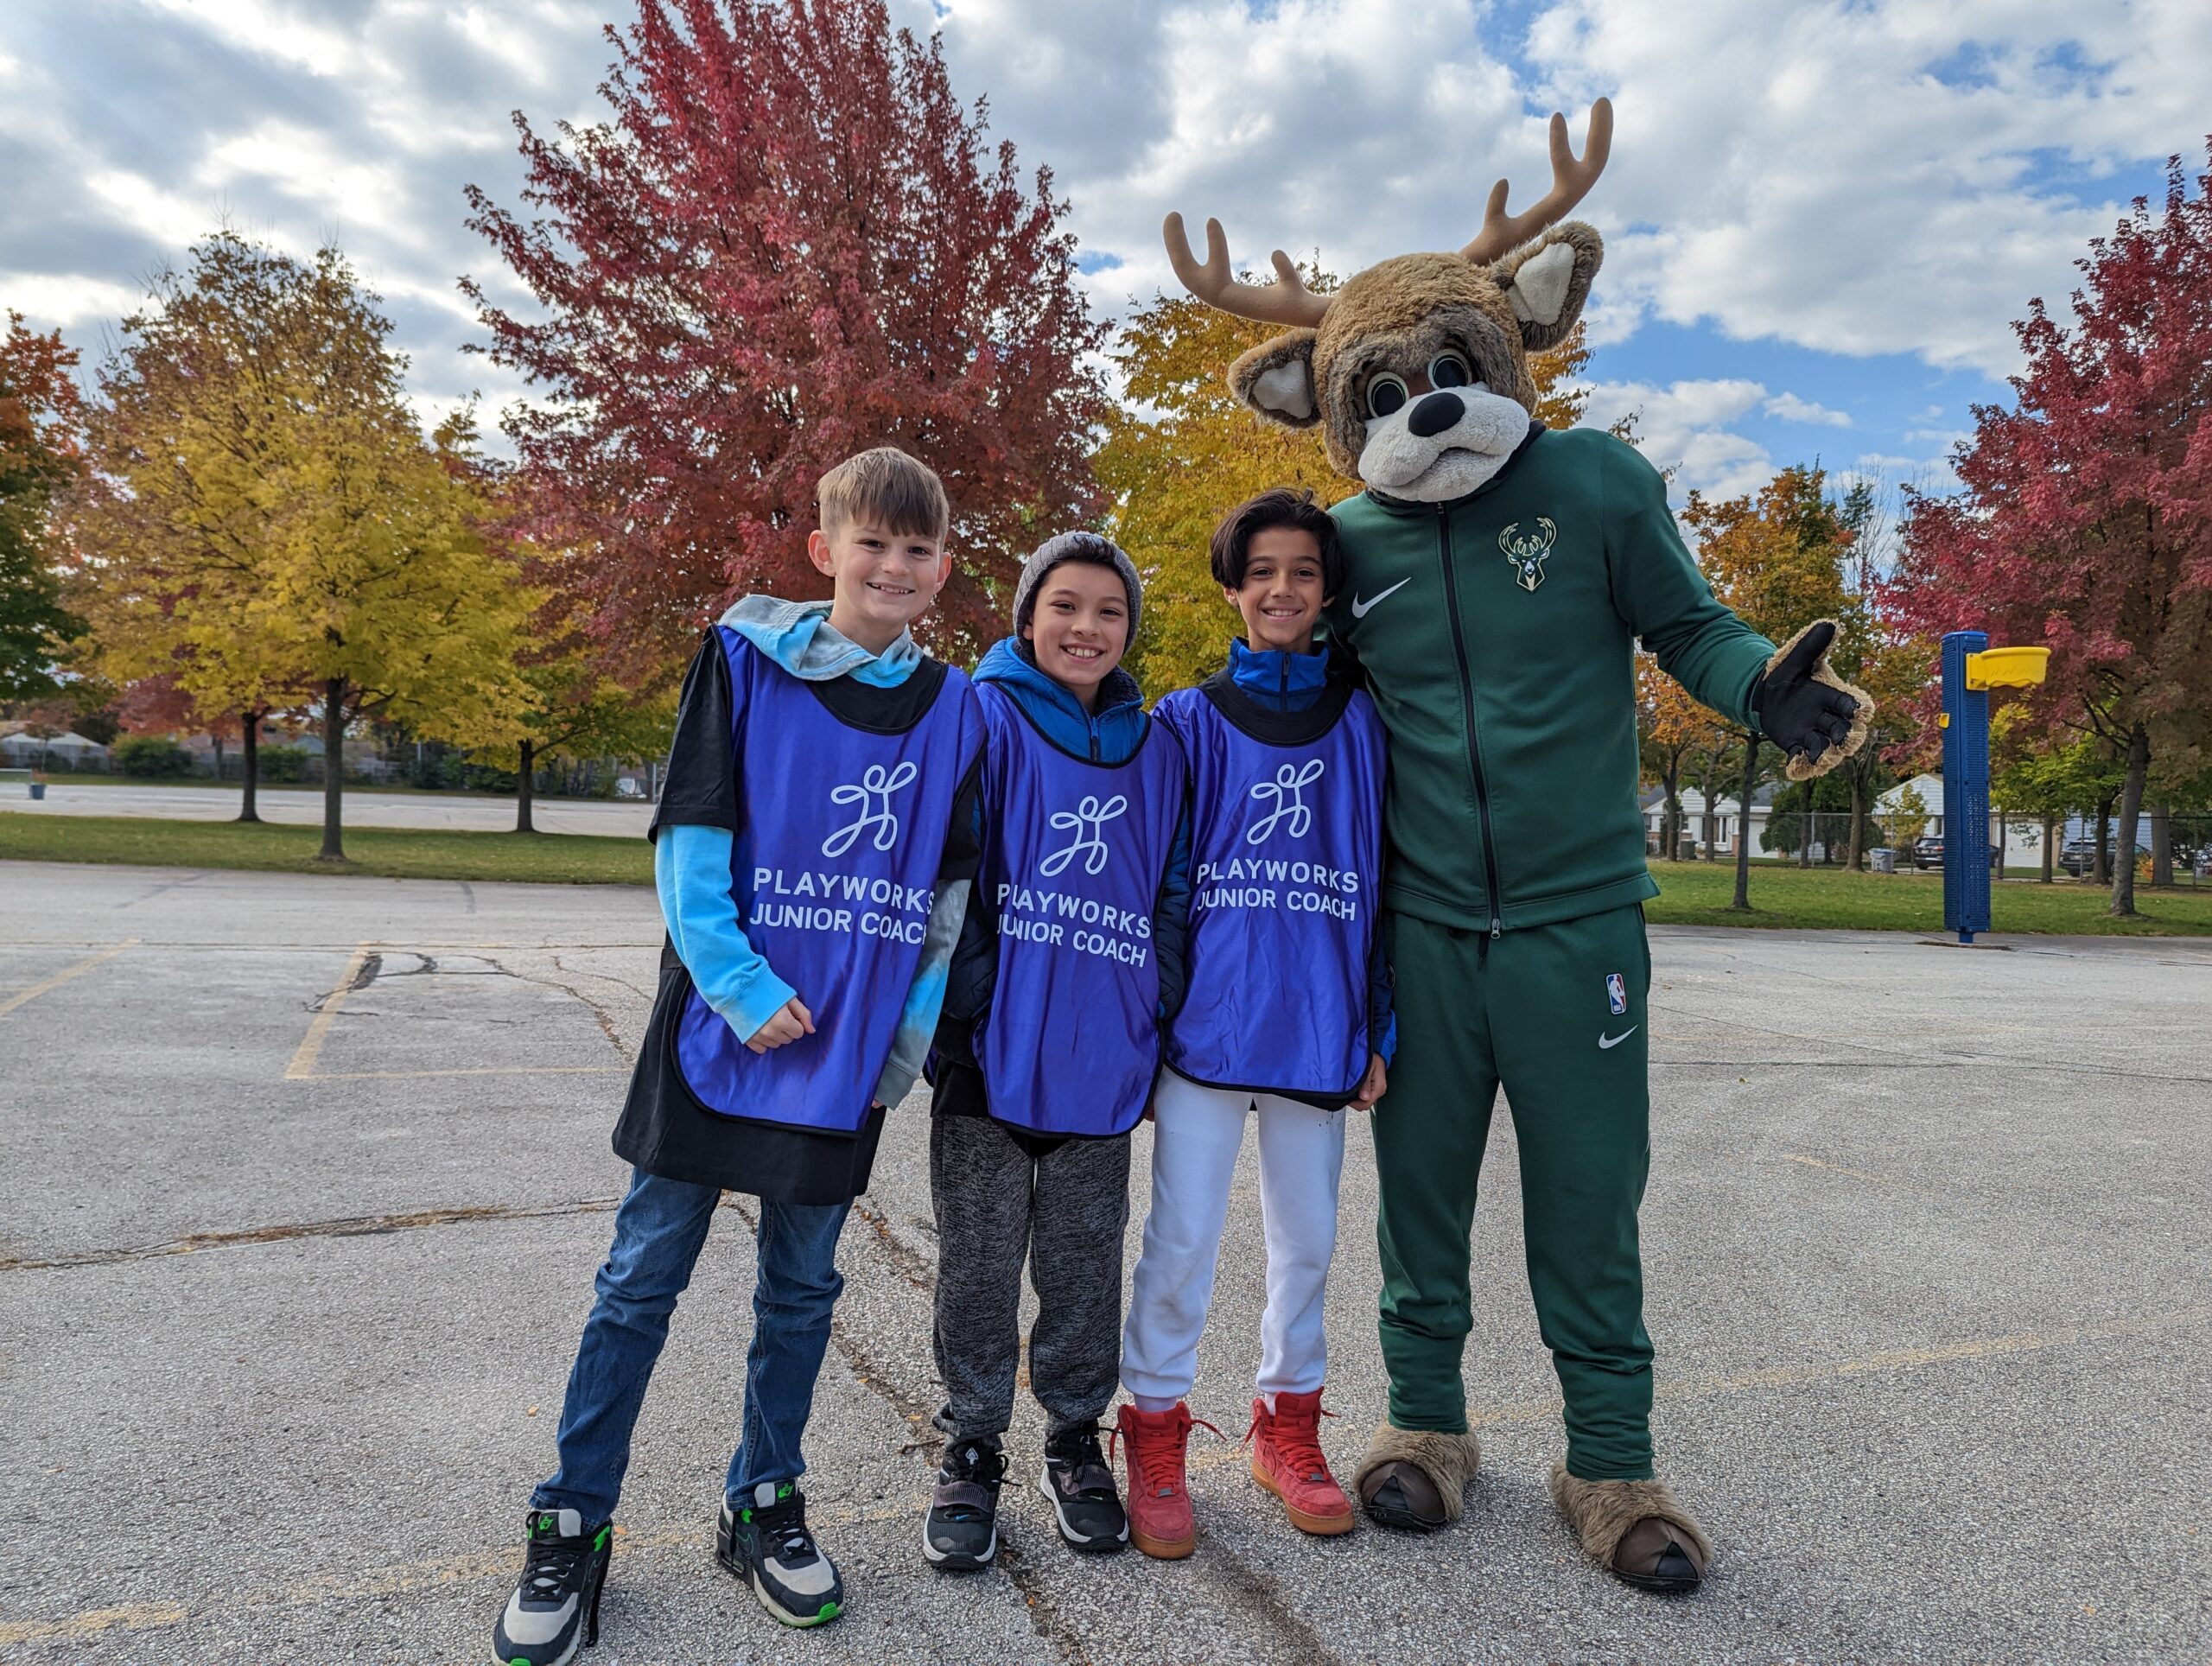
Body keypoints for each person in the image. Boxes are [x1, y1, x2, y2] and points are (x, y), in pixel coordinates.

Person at [493, 448, 987, 1663]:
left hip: (841, 1056)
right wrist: (740, 984)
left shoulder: (957, 709)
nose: (895, 565)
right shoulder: (741, 661)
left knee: (803, 1291)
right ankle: (573, 1518)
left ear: (943, 568)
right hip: (722, 1031)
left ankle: (763, 1499)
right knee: (639, 1279)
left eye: (919, 549)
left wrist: (901, 1045)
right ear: (825, 551)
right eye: (873, 543)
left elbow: (947, 895)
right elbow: (690, 836)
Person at [1116, 487, 1394, 1558]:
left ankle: (1287, 1427)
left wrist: (1378, 1027)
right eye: (1263, 571)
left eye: (1304, 572)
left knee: (1308, 1242)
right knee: (1181, 1237)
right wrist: (1152, 1019)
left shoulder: (1365, 722)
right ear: (1232, 587)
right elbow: (1158, 886)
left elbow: (1384, 883)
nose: (1283, 589)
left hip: (1318, 1026)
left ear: (1328, 591)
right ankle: (1153, 1431)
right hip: (1205, 1030)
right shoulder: (1186, 721)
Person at [918, 531, 1189, 1573]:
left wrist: (1150, 1002)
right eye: (1064, 605)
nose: (1086, 626)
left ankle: (1074, 1436)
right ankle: (971, 1442)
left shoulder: (1155, 748)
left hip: (1103, 1055)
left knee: (1083, 1266)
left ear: (1129, 629)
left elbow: (1170, 891)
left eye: (1109, 610)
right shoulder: (980, 715)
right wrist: (980, 1005)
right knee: (978, 1266)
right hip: (988, 1053)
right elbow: (951, 869)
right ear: (1028, 616)